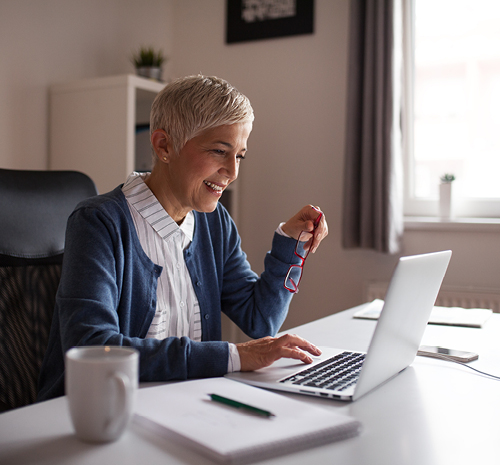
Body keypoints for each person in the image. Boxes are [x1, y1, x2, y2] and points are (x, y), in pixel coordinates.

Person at [37, 75, 328, 401]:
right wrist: (235, 355)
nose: (232, 172)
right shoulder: (99, 223)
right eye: (220, 151)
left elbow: (261, 319)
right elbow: (92, 346)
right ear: (164, 146)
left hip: (182, 404)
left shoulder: (215, 222)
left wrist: (292, 242)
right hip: (98, 410)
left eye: (240, 156)